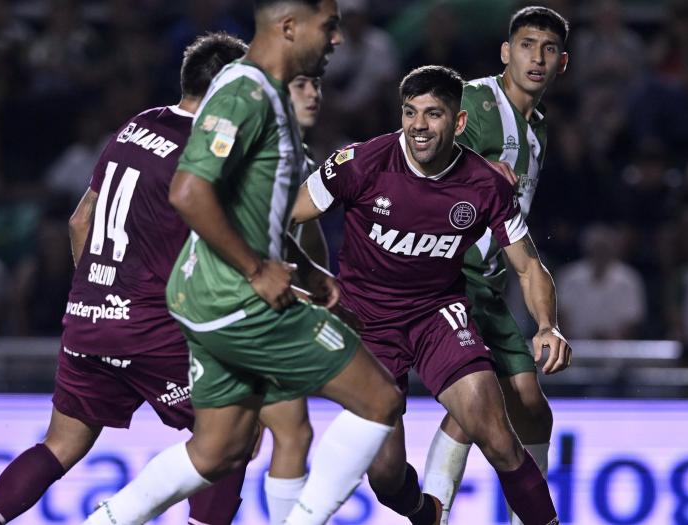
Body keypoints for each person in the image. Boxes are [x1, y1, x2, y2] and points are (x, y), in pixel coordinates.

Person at [83, 1, 403, 524]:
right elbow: (188, 192)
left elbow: (245, 210)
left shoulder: (258, 90)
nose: (338, 40)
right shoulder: (246, 94)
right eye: (329, 27)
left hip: (207, 296)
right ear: (289, 27)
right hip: (236, 297)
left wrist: (307, 272)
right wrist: (257, 269)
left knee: (219, 452)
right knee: (379, 400)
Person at [0, 32, 250, 525]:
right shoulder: (206, 152)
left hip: (87, 315)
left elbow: (80, 221)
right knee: (231, 434)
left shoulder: (137, 126)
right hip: (149, 324)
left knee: (61, 445)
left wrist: (101, 294)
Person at [290, 64, 569, 525]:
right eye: (410, 112)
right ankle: (425, 513)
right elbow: (284, 216)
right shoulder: (361, 162)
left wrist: (547, 325)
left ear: (458, 123)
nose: (418, 125)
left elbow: (528, 264)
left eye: (433, 114)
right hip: (367, 326)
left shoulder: (486, 183)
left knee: (497, 436)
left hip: (438, 314)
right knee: (383, 477)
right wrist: (298, 278)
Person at [415, 7, 569, 523]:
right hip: (445, 279)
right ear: (506, 52)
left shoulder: (539, 132)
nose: (537, 57)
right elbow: (419, 158)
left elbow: (514, 229)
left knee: (530, 407)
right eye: (527, 45)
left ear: (562, 63)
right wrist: (473, 166)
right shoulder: (477, 101)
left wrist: (547, 323)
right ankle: (432, 514)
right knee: (476, 408)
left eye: (548, 49)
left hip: (487, 285)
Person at [255, 73, 324, 525]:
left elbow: (305, 232)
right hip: (239, 307)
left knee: (234, 445)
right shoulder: (259, 152)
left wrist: (322, 283)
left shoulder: (300, 158)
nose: (314, 94)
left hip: (265, 308)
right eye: (301, 84)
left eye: (317, 84)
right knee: (287, 433)